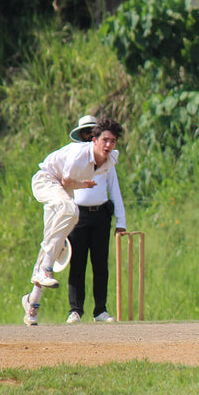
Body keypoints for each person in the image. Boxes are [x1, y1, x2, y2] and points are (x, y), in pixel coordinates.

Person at [22, 118, 124, 326]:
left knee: (52, 242)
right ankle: (46, 273)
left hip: (63, 190)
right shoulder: (80, 154)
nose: (108, 145)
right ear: (94, 140)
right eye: (104, 140)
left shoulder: (110, 159)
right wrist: (84, 184)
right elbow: (67, 181)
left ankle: (32, 303)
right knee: (71, 211)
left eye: (112, 141)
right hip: (47, 180)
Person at [65, 115, 126, 323]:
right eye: (87, 133)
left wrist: (121, 222)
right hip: (78, 216)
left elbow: (114, 190)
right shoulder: (77, 159)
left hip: (100, 214)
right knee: (77, 263)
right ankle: (75, 310)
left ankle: (100, 310)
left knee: (100, 264)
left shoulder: (108, 161)